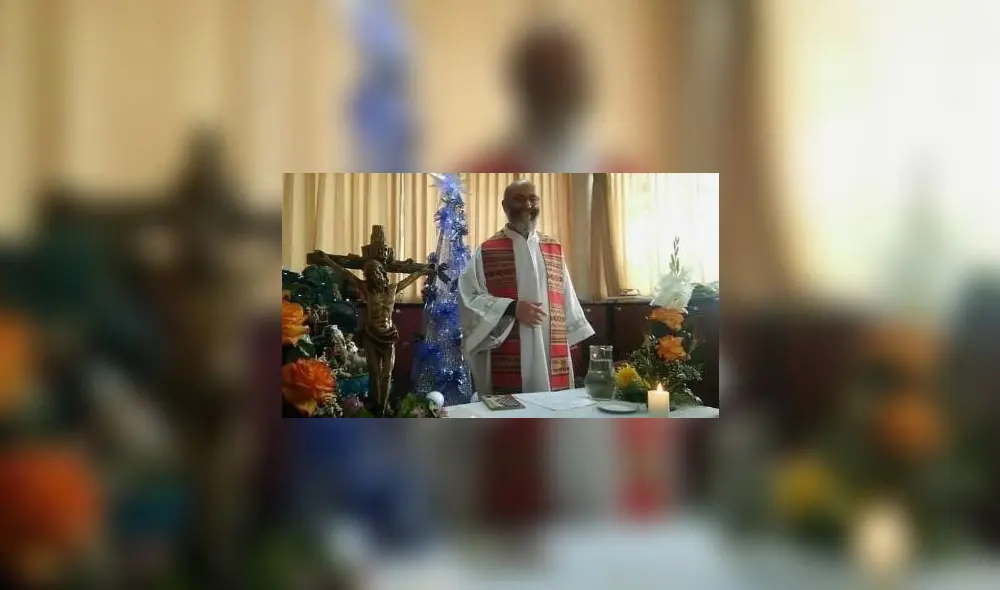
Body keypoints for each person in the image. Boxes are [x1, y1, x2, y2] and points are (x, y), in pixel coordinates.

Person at [458, 180, 594, 396]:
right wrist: (512, 308)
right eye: (519, 199)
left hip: (550, 344)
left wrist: (571, 335)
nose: (528, 205)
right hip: (505, 347)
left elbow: (566, 296)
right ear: (504, 206)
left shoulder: (553, 248)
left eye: (533, 198)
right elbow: (468, 297)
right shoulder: (487, 251)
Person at [461, 23, 638, 172]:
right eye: (543, 78)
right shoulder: (480, 169)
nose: (557, 89)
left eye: (566, 77)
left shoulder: (625, 169)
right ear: (523, 87)